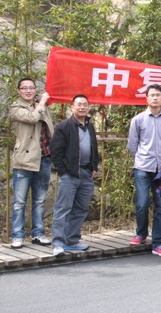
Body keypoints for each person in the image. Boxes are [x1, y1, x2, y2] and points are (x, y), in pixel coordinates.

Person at [50, 95, 99, 256]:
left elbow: (94, 148)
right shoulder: (64, 126)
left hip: (86, 173)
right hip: (70, 174)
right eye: (79, 104)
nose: (82, 107)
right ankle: (58, 242)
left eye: (85, 104)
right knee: (63, 208)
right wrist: (63, 171)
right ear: (72, 107)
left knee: (81, 208)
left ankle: (71, 240)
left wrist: (94, 167)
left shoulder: (89, 126)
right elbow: (55, 152)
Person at [9, 78, 54, 249]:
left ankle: (38, 233)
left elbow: (49, 129)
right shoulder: (16, 108)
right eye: (24, 88)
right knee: (19, 201)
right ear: (19, 91)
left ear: (35, 89)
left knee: (40, 200)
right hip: (25, 160)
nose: (28, 91)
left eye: (31, 88)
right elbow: (32, 118)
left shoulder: (41, 106)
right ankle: (17, 235)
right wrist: (42, 103)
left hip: (44, 157)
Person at [127, 84, 161, 256]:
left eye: (158, 95)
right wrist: (141, 158)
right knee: (142, 203)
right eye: (152, 95)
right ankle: (141, 233)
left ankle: (158, 242)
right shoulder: (138, 120)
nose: (155, 98)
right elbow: (132, 144)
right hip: (143, 167)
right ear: (146, 98)